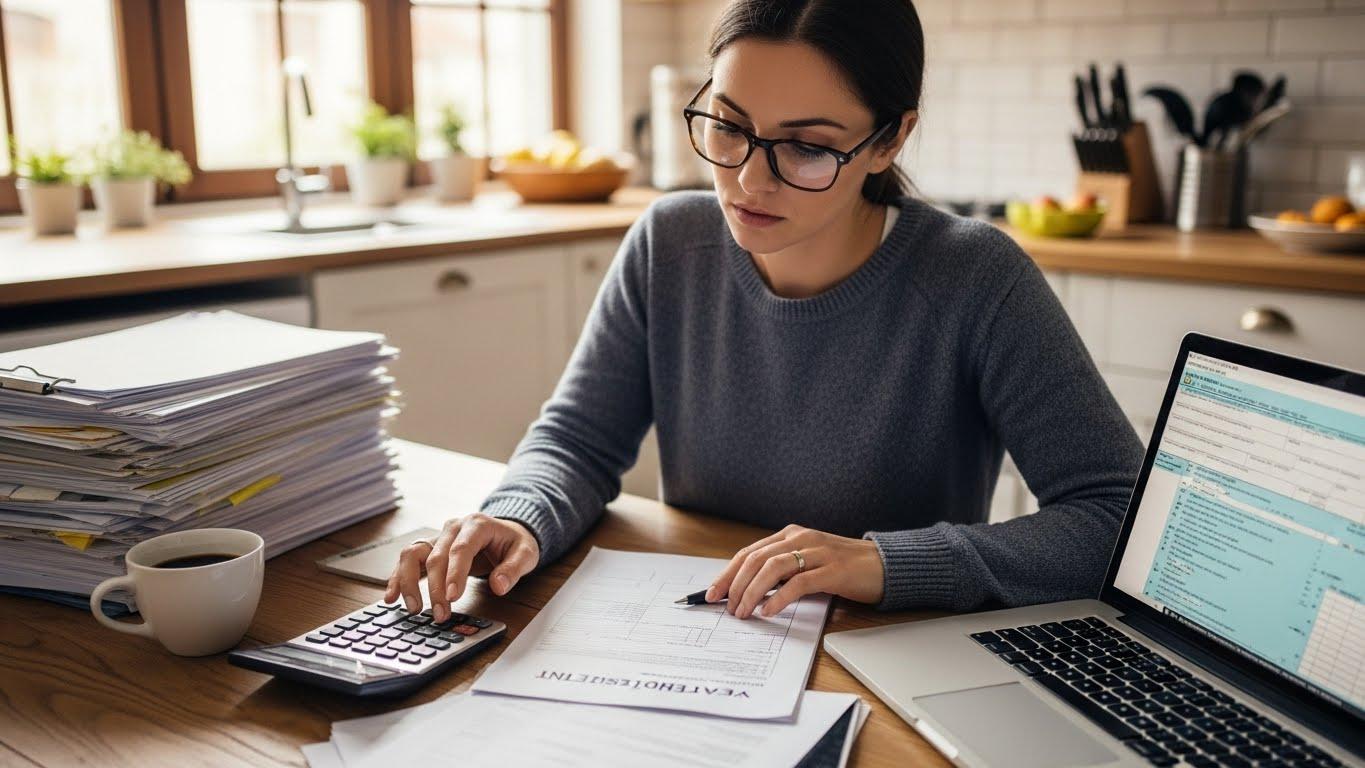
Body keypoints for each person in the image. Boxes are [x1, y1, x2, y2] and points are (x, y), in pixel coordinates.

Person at [387, 0, 1143, 625]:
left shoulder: (974, 276)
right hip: (708, 632)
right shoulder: (669, 241)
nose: (749, 181)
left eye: (807, 148)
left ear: (889, 140)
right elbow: (578, 441)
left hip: (888, 654)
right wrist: (517, 517)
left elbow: (1117, 518)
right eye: (728, 125)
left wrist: (884, 562)